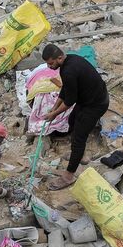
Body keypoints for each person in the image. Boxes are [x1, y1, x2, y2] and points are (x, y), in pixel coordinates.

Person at [40, 45, 109, 189]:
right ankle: (79, 155)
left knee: (78, 137)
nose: (49, 66)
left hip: (95, 105)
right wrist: (54, 107)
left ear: (59, 58)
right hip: (87, 99)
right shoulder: (70, 60)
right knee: (72, 120)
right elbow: (66, 89)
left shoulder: (69, 70)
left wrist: (54, 114)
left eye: (51, 63)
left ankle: (68, 176)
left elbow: (70, 101)